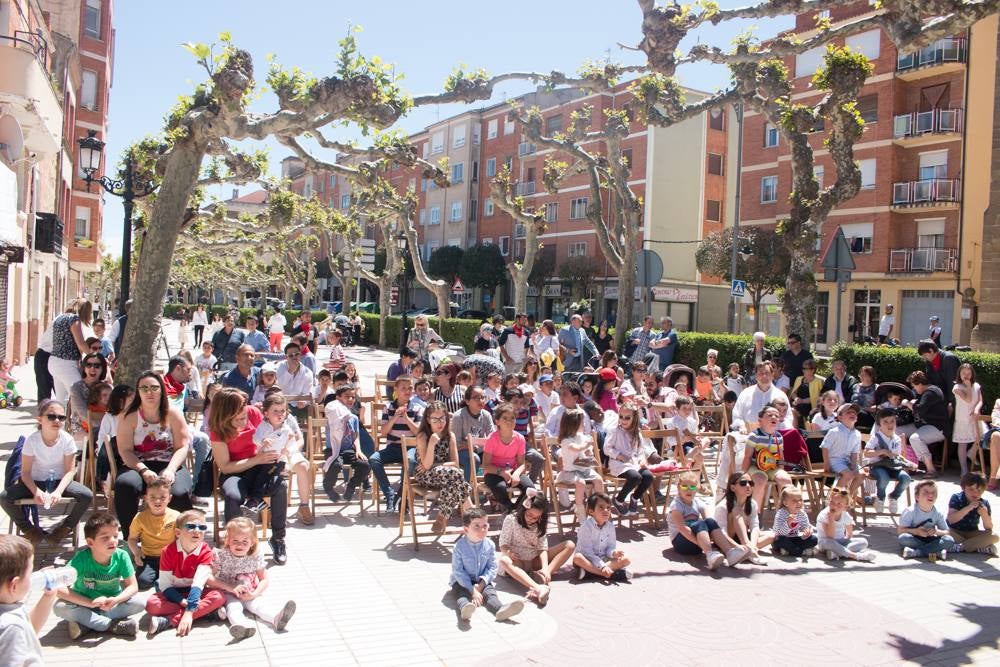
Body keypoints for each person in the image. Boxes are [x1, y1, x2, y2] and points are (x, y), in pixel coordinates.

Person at [208, 388, 289, 564]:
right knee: (233, 495)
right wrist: (256, 459)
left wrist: (280, 453)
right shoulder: (217, 430)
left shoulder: (253, 413)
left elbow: (275, 433)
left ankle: (278, 539)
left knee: (281, 486)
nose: (243, 416)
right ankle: (233, 545)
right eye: (237, 416)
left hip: (261, 468)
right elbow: (225, 466)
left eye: (244, 411)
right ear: (225, 414)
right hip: (235, 471)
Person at [0, 399, 93, 545]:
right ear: (40, 419)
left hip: (58, 482)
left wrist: (58, 491)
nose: (56, 420)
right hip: (34, 482)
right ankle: (29, 530)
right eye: (51, 416)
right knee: (5, 498)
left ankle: (65, 528)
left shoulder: (67, 440)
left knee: (86, 495)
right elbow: (25, 473)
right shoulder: (32, 440)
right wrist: (36, 491)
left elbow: (70, 471)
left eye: (61, 417)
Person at [115, 372, 193, 538]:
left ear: (161, 390)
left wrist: (171, 470)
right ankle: (130, 537)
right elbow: (124, 450)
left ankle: (181, 537)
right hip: (137, 464)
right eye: (144, 388)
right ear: (138, 391)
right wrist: (143, 470)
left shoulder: (173, 413)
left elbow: (182, 447)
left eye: (154, 387)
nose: (149, 392)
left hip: (169, 463)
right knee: (125, 485)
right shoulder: (128, 416)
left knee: (179, 492)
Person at [52, 511, 142, 638]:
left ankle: (86, 624)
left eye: (115, 536)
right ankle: (110, 625)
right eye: (105, 537)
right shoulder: (81, 559)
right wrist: (90, 603)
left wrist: (116, 600)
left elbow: (133, 586)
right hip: (85, 604)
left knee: (139, 603)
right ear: (90, 543)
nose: (113, 541)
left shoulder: (122, 555)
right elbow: (58, 588)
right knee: (59, 607)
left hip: (111, 604)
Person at [210, 517, 296, 640]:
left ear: (253, 542)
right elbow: (210, 578)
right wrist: (229, 588)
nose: (239, 545)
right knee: (234, 608)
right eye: (235, 540)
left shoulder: (255, 556)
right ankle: (242, 627)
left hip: (250, 591)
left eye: (245, 541)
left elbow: (264, 579)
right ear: (227, 540)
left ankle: (277, 619)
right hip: (229, 593)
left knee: (260, 606)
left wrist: (254, 594)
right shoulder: (221, 555)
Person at [144, 509, 226, 637]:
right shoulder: (168, 551)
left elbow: (198, 583)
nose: (197, 530)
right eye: (191, 526)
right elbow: (165, 585)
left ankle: (169, 621)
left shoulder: (205, 551)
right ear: (178, 532)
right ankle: (207, 612)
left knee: (219, 597)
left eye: (202, 527)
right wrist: (185, 604)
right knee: (151, 605)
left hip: (195, 591)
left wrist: (189, 612)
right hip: (173, 592)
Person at [498, 490, 575, 607]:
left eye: (536, 517)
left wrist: (545, 568)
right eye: (529, 515)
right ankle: (537, 587)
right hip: (517, 561)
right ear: (523, 509)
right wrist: (509, 553)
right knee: (504, 561)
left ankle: (544, 575)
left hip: (533, 561)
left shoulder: (540, 523)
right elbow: (503, 543)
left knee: (569, 545)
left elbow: (542, 548)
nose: (532, 519)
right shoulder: (511, 519)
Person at [450, 508, 524, 622]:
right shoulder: (459, 547)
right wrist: (472, 591)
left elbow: (492, 567)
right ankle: (465, 608)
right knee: (461, 593)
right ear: (466, 529)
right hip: (461, 581)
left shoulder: (489, 545)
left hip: (481, 579)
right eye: (476, 526)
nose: (482, 529)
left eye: (485, 526)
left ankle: (500, 609)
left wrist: (481, 585)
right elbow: (458, 571)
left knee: (490, 593)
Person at [669, 471, 750, 569]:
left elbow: (710, 521)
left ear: (697, 489)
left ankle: (729, 553)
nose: (689, 490)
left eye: (693, 487)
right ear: (678, 488)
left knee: (709, 522)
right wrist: (704, 545)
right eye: (685, 486)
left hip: (697, 544)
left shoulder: (698, 502)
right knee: (699, 523)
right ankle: (710, 554)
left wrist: (707, 540)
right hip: (681, 543)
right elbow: (682, 529)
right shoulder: (676, 505)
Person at [413, 402, 472, 534]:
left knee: (455, 474)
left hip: (447, 475)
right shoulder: (423, 436)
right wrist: (432, 444)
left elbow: (455, 462)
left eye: (443, 418)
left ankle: (443, 515)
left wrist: (438, 465)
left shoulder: (450, 436)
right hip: (426, 475)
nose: (440, 423)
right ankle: (467, 509)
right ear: (428, 419)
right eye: (435, 419)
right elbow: (426, 466)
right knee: (457, 475)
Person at [0, 534, 58, 663]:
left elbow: (30, 630)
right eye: (30, 572)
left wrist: (48, 596)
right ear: (14, 586)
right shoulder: (10, 626)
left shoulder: (9, 610)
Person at [256, 393, 313, 524]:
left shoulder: (289, 420)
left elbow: (299, 439)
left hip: (289, 450)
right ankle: (268, 509)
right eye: (275, 410)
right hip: (272, 452)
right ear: (267, 411)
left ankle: (304, 506)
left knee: (303, 466)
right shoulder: (264, 423)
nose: (279, 413)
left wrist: (289, 451)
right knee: (270, 469)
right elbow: (257, 440)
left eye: (282, 410)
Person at [371, 377, 424, 511]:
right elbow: (383, 432)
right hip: (393, 446)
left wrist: (406, 418)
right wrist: (395, 417)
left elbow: (419, 433)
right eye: (403, 388)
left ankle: (402, 497)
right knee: (373, 459)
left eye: (410, 388)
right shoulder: (388, 407)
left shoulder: (418, 408)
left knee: (410, 461)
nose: (407, 391)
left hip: (411, 447)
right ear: (396, 389)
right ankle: (389, 494)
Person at [126, 478, 177, 591]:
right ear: (146, 498)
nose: (157, 501)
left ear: (170, 498)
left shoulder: (176, 516)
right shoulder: (140, 518)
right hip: (149, 557)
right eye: (153, 497)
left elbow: (181, 538)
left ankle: (162, 578)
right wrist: (136, 552)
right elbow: (132, 539)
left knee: (180, 578)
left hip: (170, 557)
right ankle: (160, 577)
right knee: (142, 582)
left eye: (162, 497)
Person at [603, 402, 654, 517]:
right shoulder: (614, 430)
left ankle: (635, 497)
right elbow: (607, 448)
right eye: (621, 417)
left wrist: (642, 460)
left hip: (633, 463)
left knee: (648, 476)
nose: (623, 420)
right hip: (619, 464)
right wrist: (619, 455)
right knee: (635, 477)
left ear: (634, 418)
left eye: (627, 418)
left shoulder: (637, 433)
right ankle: (618, 500)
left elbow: (640, 451)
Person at [323, 384, 370, 504]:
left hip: (348, 450)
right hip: (333, 450)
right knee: (336, 465)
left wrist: (358, 450)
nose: (350, 399)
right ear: (338, 398)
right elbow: (330, 408)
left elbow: (355, 436)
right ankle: (328, 487)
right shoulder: (333, 414)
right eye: (346, 396)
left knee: (365, 465)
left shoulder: (353, 418)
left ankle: (352, 485)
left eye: (353, 397)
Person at [741, 405, 792, 515]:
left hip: (772, 467)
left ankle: (787, 515)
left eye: (776, 416)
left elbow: (781, 457)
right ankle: (754, 514)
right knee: (760, 481)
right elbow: (747, 457)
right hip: (756, 466)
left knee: (786, 480)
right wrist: (743, 474)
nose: (773, 417)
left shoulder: (778, 437)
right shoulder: (754, 436)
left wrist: (782, 471)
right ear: (760, 420)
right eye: (769, 415)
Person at [482, 403, 533, 513]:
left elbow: (522, 464)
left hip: (513, 470)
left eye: (512, 418)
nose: (509, 421)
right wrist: (501, 472)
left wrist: (516, 474)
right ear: (497, 421)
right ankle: (511, 509)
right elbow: (485, 465)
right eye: (505, 418)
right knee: (500, 488)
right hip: (494, 473)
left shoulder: (520, 438)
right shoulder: (492, 438)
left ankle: (516, 509)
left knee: (530, 489)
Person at [864, 407, 916, 514]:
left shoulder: (896, 438)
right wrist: (882, 451)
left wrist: (909, 463)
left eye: (892, 421)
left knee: (906, 478)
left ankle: (893, 497)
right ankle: (880, 498)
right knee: (884, 478)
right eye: (886, 422)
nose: (890, 424)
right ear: (880, 424)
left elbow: (897, 456)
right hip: (877, 466)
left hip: (893, 466)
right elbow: (866, 453)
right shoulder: (876, 437)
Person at [897, 371, 949, 478]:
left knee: (915, 438)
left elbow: (919, 410)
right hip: (922, 425)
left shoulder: (931, 392)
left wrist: (907, 403)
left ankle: (931, 469)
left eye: (915, 386)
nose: (914, 389)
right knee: (896, 431)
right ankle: (901, 463)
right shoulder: (924, 393)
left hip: (937, 427)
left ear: (920, 384)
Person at [714, 472, 772, 565]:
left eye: (751, 483)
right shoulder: (722, 506)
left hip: (742, 538)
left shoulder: (752, 504)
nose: (748, 486)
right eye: (743, 483)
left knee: (771, 536)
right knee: (736, 511)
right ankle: (747, 551)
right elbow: (722, 532)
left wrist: (751, 546)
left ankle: (748, 551)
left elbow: (755, 526)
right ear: (733, 488)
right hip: (728, 540)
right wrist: (737, 545)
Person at [556, 409, 603, 523]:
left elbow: (586, 450)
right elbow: (576, 448)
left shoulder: (582, 436)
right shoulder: (566, 440)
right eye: (582, 422)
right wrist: (585, 445)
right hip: (570, 472)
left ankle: (598, 505)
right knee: (580, 483)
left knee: (598, 480)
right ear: (573, 424)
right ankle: (579, 508)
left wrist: (589, 452)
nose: (584, 424)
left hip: (583, 468)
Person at [572, 492, 631, 581]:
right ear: (591, 511)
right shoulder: (586, 527)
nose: (606, 510)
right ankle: (609, 574)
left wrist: (613, 553)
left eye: (608, 508)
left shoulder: (610, 526)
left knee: (627, 559)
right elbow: (587, 552)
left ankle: (589, 573)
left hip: (603, 559)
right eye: (601, 507)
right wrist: (602, 566)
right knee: (577, 558)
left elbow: (610, 547)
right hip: (587, 559)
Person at [898, 480, 957, 560]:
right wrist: (916, 531)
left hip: (931, 539)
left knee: (949, 540)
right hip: (915, 538)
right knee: (903, 538)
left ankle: (917, 552)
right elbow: (900, 530)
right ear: (917, 497)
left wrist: (936, 531)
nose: (930, 495)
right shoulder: (910, 511)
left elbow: (946, 531)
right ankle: (935, 551)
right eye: (926, 492)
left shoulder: (938, 513)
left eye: (934, 493)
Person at [48, 299, 93, 401]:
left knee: (62, 399)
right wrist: (93, 355)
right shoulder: (74, 319)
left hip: (54, 361)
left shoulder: (60, 317)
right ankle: (77, 417)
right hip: (66, 364)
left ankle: (63, 416)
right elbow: (80, 343)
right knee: (80, 397)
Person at [816, 487, 876, 562]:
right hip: (826, 541)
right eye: (832, 502)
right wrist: (831, 519)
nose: (834, 506)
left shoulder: (845, 515)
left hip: (841, 541)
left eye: (839, 504)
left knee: (863, 542)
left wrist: (846, 541)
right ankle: (857, 556)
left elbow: (849, 534)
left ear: (845, 506)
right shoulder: (824, 515)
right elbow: (830, 536)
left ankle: (836, 553)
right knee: (830, 543)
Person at [450, 385, 495, 484]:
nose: (481, 400)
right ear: (467, 401)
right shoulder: (458, 416)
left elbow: (492, 439)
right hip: (460, 452)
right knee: (474, 458)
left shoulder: (486, 415)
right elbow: (455, 444)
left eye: (483, 397)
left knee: (498, 456)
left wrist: (474, 446)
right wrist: (475, 446)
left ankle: (492, 489)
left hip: (478, 449)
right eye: (476, 398)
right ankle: (466, 491)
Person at [946, 472, 998, 556]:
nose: (975, 493)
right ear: (963, 488)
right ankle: (977, 547)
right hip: (954, 531)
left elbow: (989, 528)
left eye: (979, 490)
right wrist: (969, 507)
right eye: (971, 489)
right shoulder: (956, 497)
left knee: (994, 536)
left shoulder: (984, 503)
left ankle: (961, 547)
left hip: (972, 533)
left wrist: (985, 515)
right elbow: (951, 520)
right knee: (942, 532)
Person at [730, 362, 784, 432]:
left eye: (767, 373)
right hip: (748, 436)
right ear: (756, 376)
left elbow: (788, 418)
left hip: (775, 438)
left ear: (772, 375)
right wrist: (741, 426)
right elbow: (736, 415)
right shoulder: (745, 393)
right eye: (761, 373)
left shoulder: (780, 395)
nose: (764, 376)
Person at [952, 363, 984, 477]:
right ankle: (964, 469)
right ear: (959, 374)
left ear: (972, 374)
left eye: (968, 373)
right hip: (963, 418)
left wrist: (977, 409)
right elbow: (968, 399)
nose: (966, 375)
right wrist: (968, 386)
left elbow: (980, 400)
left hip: (975, 417)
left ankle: (971, 453)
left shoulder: (977, 385)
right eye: (963, 373)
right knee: (963, 443)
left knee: (981, 437)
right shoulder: (957, 387)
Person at [772, 487, 818, 557]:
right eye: (795, 501)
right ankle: (800, 552)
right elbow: (778, 533)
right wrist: (788, 524)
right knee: (779, 540)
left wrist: (807, 531)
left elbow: (806, 526)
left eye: (800, 500)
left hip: (795, 537)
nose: (799, 503)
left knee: (814, 539)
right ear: (785, 503)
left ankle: (789, 550)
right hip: (782, 538)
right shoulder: (781, 513)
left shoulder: (802, 513)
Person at [918, 340, 961, 404]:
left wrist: (950, 403)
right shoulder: (929, 361)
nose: (924, 358)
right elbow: (930, 380)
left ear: (931, 351)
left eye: (925, 355)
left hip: (955, 400)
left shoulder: (949, 359)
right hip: (940, 400)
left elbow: (952, 383)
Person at [790, 359, 824, 426]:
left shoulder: (819, 381)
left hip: (812, 408)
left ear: (813, 370)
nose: (803, 370)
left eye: (806, 368)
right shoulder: (799, 379)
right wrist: (796, 398)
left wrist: (802, 401)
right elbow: (793, 393)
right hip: (798, 406)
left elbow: (818, 398)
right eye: (803, 368)